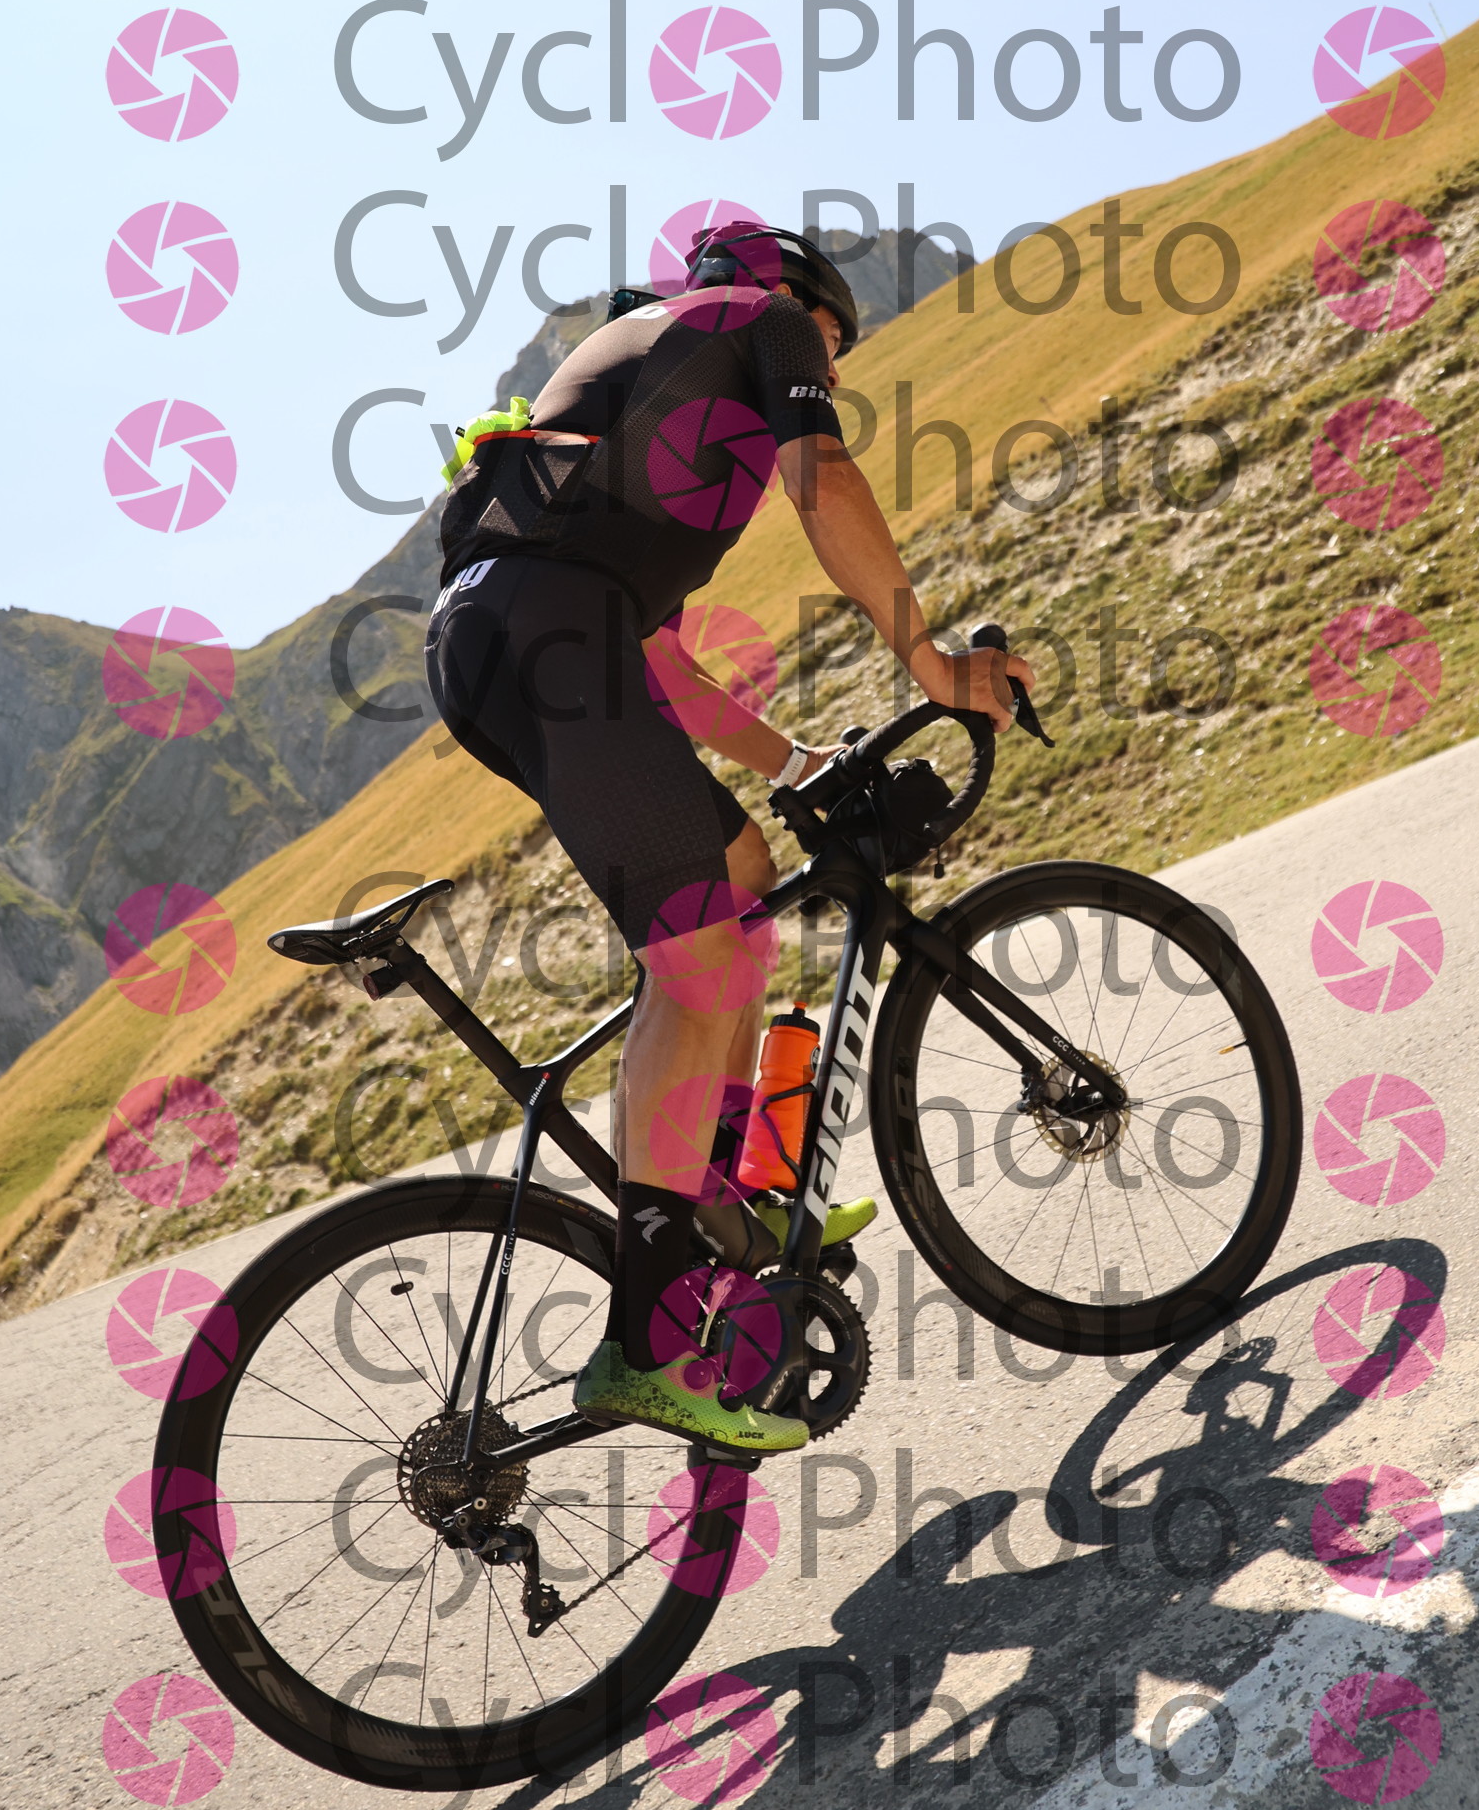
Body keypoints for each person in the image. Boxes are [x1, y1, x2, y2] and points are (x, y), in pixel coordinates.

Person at [425, 223, 1032, 1452]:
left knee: (741, 877)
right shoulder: (758, 321)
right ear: (793, 299)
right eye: (835, 340)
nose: (833, 367)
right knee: (699, 961)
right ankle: (650, 1341)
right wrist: (930, 661)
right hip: (548, 640)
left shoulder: (647, 378)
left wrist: (797, 764)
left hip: (515, 640)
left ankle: (716, 1196)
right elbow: (827, 484)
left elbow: (659, 663)